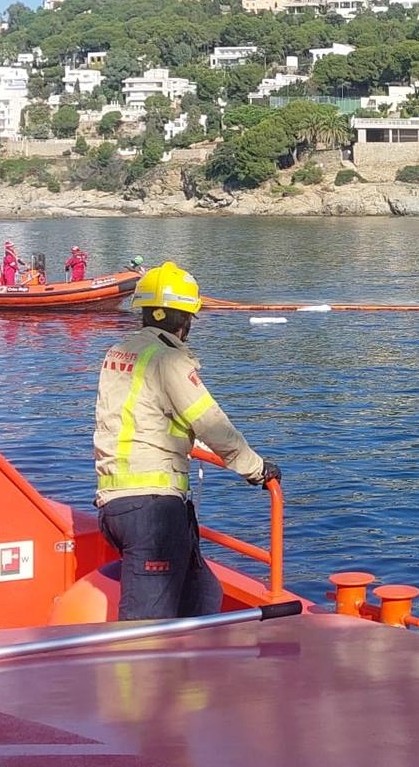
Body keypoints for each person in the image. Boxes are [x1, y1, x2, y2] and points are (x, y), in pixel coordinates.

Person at [92, 261, 279, 619]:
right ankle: (139, 673)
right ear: (184, 320)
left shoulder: (118, 353)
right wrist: (257, 470)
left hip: (116, 503)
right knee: (143, 626)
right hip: (153, 509)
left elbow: (139, 416)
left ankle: (190, 673)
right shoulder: (168, 361)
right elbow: (212, 424)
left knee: (203, 594)